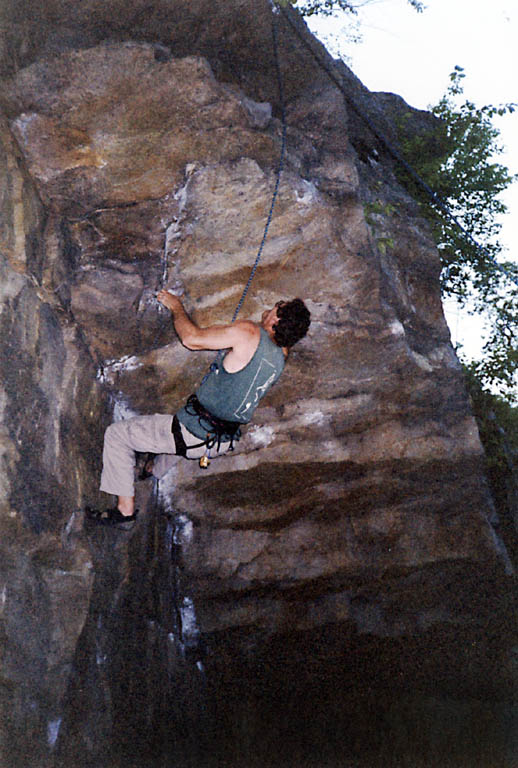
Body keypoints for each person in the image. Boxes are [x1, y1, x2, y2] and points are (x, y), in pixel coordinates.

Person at [86, 290, 311, 526]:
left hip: (195, 430)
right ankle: (151, 470)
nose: (272, 307)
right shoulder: (281, 356)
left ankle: (125, 512)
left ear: (277, 320)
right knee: (177, 439)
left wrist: (176, 306)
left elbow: (191, 339)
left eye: (278, 306)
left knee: (118, 435)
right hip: (220, 440)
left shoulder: (249, 333)